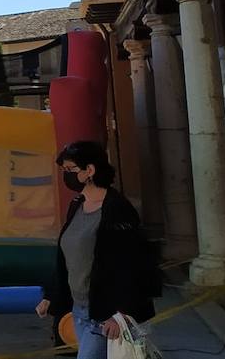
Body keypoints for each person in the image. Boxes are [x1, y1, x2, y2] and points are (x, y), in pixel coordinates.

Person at [36, 141, 157, 359]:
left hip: (106, 313)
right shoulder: (77, 205)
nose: (66, 175)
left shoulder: (117, 210)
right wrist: (52, 295)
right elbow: (68, 257)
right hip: (79, 310)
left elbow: (134, 265)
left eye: (70, 170)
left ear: (89, 170)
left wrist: (122, 314)